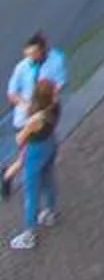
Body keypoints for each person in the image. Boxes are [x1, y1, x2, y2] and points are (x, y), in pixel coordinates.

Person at [3, 33, 65, 217]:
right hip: (27, 119)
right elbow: (12, 93)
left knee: (31, 163)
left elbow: (58, 88)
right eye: (28, 54)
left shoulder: (55, 62)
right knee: (32, 159)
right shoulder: (22, 67)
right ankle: (8, 176)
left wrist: (43, 110)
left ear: (43, 50)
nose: (30, 58)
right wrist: (26, 106)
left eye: (33, 54)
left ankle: (8, 176)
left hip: (41, 120)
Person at [6, 74, 58, 252]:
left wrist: (26, 123)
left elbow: (20, 139)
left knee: (31, 192)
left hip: (35, 152)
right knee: (49, 180)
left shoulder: (36, 119)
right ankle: (50, 212)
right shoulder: (55, 107)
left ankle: (29, 233)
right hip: (50, 144)